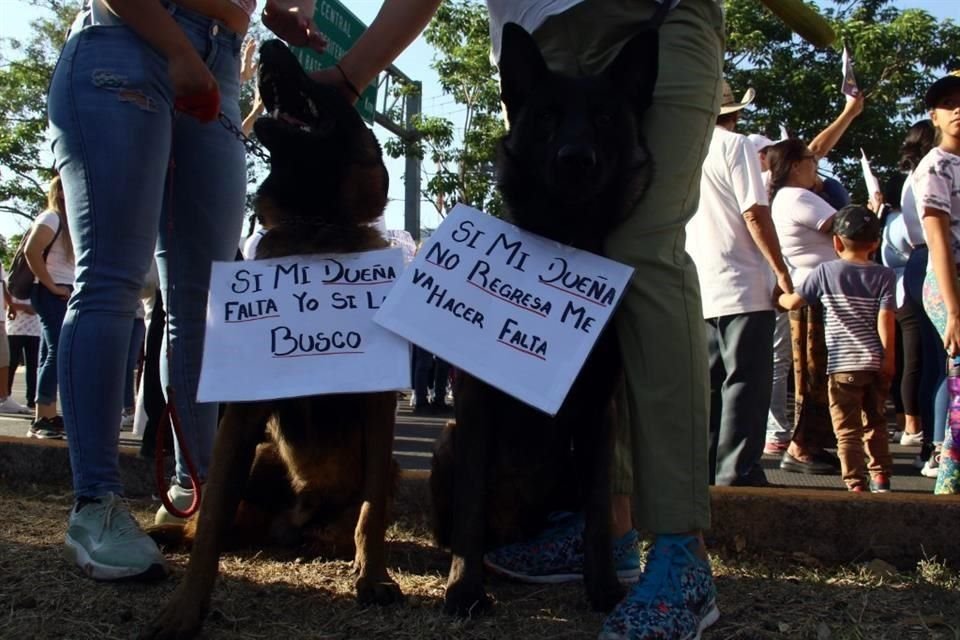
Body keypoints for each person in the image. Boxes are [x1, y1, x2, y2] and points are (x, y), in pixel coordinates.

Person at [313, 0, 724, 637]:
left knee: (640, 252)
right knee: (545, 264)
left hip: (660, 9)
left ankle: (679, 552)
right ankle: (606, 537)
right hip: (537, 29)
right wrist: (350, 75)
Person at [48, 0, 326, 581]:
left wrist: (280, 9)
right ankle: (94, 505)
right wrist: (176, 48)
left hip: (221, 61)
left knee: (202, 305)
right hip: (130, 35)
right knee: (111, 280)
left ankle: (197, 490)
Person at [686, 80, 792, 487]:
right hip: (742, 279)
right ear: (734, 114)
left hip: (700, 280)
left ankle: (710, 470)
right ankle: (739, 470)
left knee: (711, 384)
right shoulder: (737, 145)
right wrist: (781, 272)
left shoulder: (683, 150)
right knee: (747, 380)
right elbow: (755, 213)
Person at [778, 205, 896, 492]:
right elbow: (886, 319)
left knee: (847, 430)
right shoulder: (885, 275)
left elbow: (795, 302)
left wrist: (779, 297)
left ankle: (856, 482)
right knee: (875, 422)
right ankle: (881, 476)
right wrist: (888, 358)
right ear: (876, 243)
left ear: (836, 242)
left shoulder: (825, 272)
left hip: (843, 367)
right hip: (874, 361)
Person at [767, 138, 842, 475]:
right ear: (796, 165)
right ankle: (802, 446)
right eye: (812, 159)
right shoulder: (798, 197)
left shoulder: (787, 198)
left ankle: (810, 442)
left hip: (813, 291)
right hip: (816, 294)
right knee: (814, 371)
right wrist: (836, 192)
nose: (817, 166)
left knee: (815, 371)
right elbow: (850, 228)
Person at [914, 71, 960, 494]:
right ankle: (950, 486)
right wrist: (955, 310)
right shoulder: (935, 166)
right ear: (935, 115)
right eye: (948, 102)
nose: (958, 108)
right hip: (948, 281)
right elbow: (938, 241)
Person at [23, 175, 75, 439]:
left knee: (48, 352)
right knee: (57, 351)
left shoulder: (66, 221)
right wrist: (53, 287)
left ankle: (45, 414)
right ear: (61, 192)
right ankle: (43, 416)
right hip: (51, 291)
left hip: (60, 291)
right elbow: (31, 251)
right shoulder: (51, 217)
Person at [0, 266, 33, 415]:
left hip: (3, 319)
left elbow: (2, 287)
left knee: (6, 360)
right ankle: (4, 398)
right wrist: (16, 306)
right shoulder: (9, 278)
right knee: (7, 361)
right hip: (11, 326)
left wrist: (12, 305)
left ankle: (6, 399)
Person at [6, 295, 41, 412]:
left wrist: (35, 307)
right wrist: (25, 307)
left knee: (33, 367)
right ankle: (5, 398)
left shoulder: (36, 285)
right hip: (14, 329)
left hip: (35, 330)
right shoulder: (10, 282)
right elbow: (5, 303)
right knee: (11, 365)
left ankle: (32, 401)